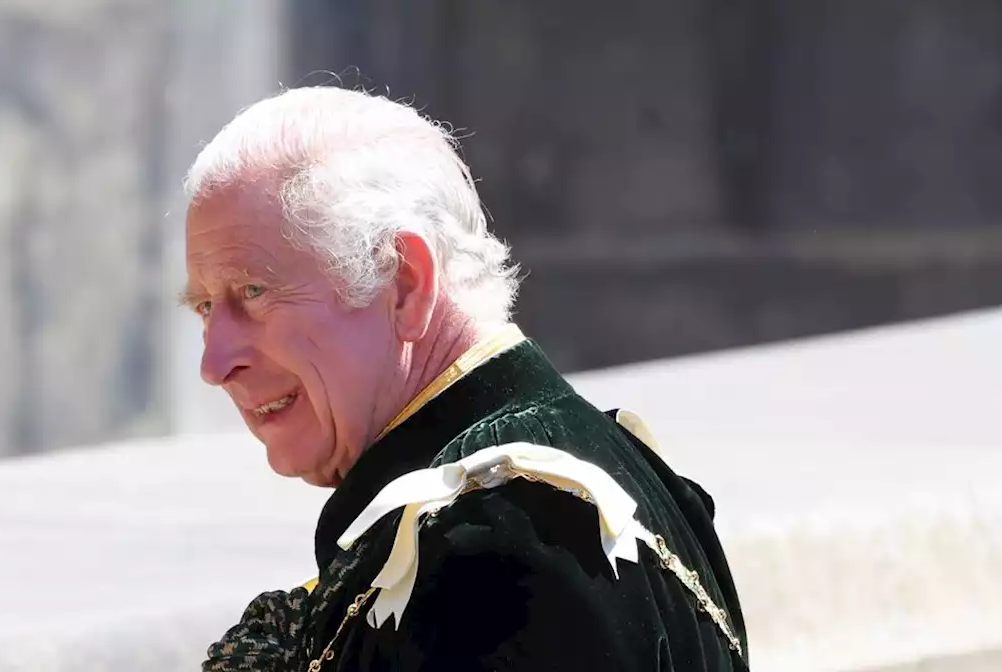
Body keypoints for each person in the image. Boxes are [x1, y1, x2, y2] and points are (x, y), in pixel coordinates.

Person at [183, 86, 748, 671]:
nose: (214, 363)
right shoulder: (596, 476)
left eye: (254, 292)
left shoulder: (498, 538)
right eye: (203, 307)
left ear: (403, 283)